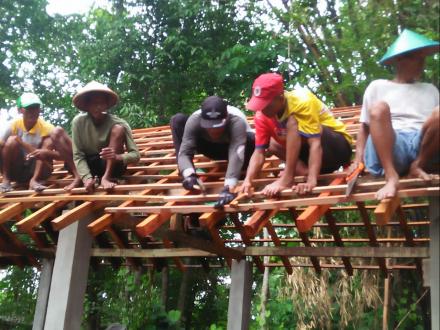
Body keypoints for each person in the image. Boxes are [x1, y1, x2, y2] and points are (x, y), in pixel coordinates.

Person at [351, 29, 439, 200]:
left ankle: (418, 165)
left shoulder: (430, 89)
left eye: (424, 59)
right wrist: (357, 161)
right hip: (391, 144)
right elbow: (365, 127)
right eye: (417, 59)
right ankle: (391, 176)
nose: (422, 64)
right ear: (400, 60)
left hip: (424, 146)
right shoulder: (378, 86)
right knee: (379, 109)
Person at [241, 73, 352, 197]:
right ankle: (303, 171)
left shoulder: (301, 102)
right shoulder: (261, 115)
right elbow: (259, 152)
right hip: (314, 160)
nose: (264, 109)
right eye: (260, 105)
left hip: (335, 149)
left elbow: (315, 143)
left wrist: (311, 181)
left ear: (281, 97)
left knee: (292, 122)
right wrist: (248, 181)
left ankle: (288, 177)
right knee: (271, 144)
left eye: (267, 104)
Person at [170, 95, 255, 208]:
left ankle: (239, 175)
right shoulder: (195, 120)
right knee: (177, 119)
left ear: (226, 118)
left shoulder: (236, 121)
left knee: (253, 139)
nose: (213, 130)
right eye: (209, 126)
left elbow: (236, 154)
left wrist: (229, 187)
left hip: (239, 151)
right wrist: (189, 174)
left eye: (218, 126)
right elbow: (184, 152)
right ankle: (186, 176)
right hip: (211, 149)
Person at [0, 92, 81, 193]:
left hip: (39, 171)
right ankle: (6, 180)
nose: (33, 112)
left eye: (36, 108)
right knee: (11, 141)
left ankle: (34, 180)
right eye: (29, 109)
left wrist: (46, 153)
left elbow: (67, 154)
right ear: (20, 110)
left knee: (48, 141)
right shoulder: (13, 125)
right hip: (17, 171)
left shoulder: (46, 128)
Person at [71, 81, 140, 193]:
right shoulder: (78, 122)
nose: (97, 107)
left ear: (106, 104)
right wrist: (87, 178)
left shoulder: (120, 123)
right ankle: (87, 178)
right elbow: (78, 155)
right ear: (87, 105)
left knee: (118, 129)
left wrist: (118, 157)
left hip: (111, 166)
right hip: (90, 165)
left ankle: (106, 177)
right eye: (93, 103)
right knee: (71, 158)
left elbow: (136, 155)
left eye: (101, 103)